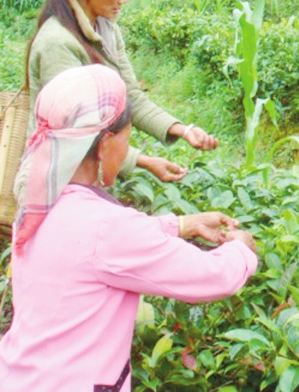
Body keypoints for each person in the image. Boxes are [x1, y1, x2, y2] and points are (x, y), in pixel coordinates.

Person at [0, 64, 258, 390]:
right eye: (127, 139)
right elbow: (211, 276)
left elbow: (96, 245)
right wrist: (241, 247)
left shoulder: (42, 203)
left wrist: (181, 225)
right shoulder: (106, 229)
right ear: (106, 144)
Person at [24, 0, 218, 183]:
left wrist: (182, 129)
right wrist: (143, 161)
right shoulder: (58, 43)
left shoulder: (106, 30)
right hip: (55, 177)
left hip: (91, 168)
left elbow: (130, 96)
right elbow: (73, 131)